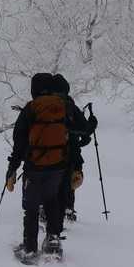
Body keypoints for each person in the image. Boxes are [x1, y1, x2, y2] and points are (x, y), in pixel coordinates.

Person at [5, 72, 69, 263]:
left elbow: (19, 142)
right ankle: (53, 243)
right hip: (58, 166)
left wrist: (12, 168)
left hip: (35, 168)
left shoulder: (31, 109)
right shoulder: (62, 106)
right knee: (52, 202)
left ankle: (30, 248)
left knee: (31, 208)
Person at [51, 73, 96, 221]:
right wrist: (93, 122)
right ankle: (68, 209)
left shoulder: (41, 106)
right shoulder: (70, 107)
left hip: (45, 152)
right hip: (71, 153)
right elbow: (85, 130)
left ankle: (45, 208)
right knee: (69, 180)